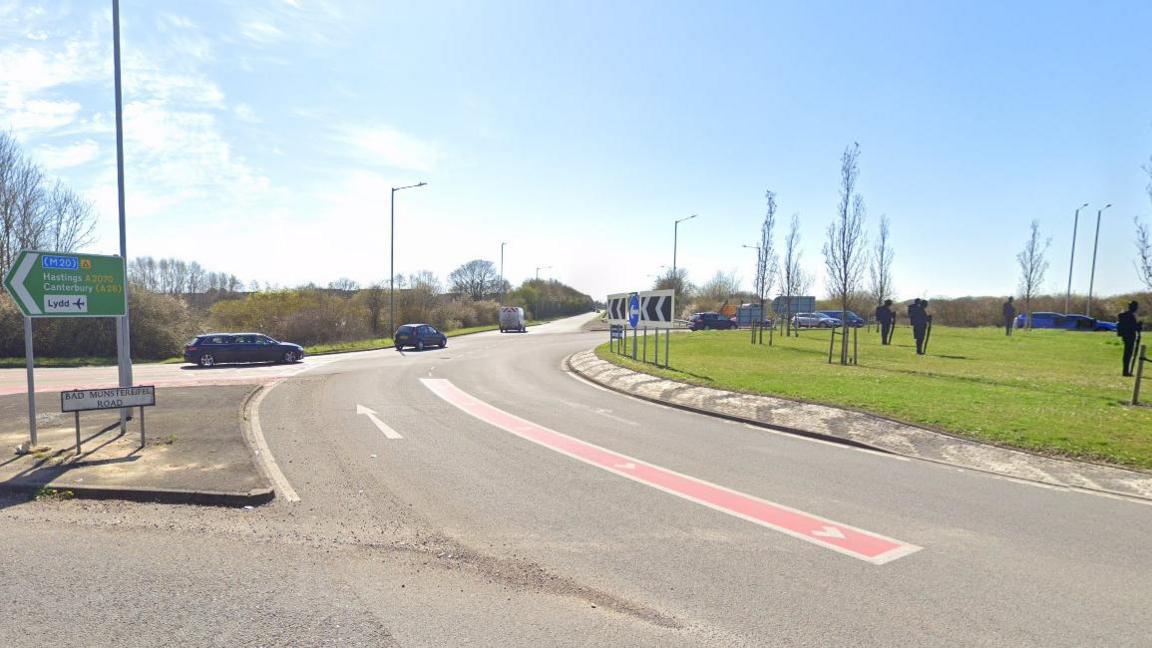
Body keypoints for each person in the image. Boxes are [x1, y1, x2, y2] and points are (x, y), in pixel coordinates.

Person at [1117, 301, 1143, 377]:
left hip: (1127, 336)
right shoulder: (1129, 316)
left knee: (1127, 354)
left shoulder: (1126, 315)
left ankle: (1126, 371)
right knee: (1128, 354)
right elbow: (1133, 327)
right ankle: (1125, 371)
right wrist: (1139, 326)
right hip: (1129, 337)